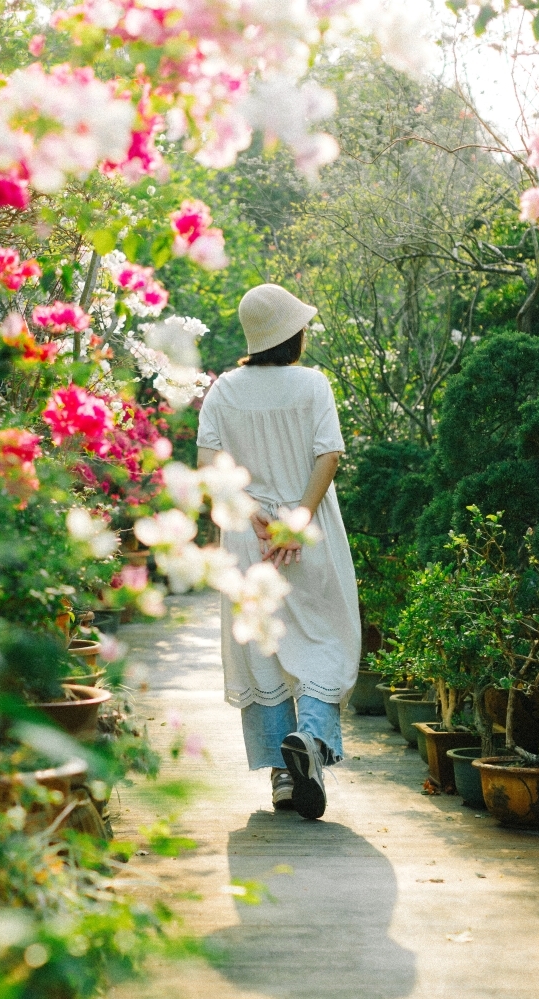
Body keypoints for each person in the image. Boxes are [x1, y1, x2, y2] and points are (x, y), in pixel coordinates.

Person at [195, 283, 361, 820]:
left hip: (250, 537)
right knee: (325, 640)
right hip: (304, 531)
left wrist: (254, 515)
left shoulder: (223, 390)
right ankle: (309, 741)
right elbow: (328, 455)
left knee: (263, 650)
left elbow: (208, 467)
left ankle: (284, 780)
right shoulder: (313, 385)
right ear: (293, 333)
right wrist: (297, 519)